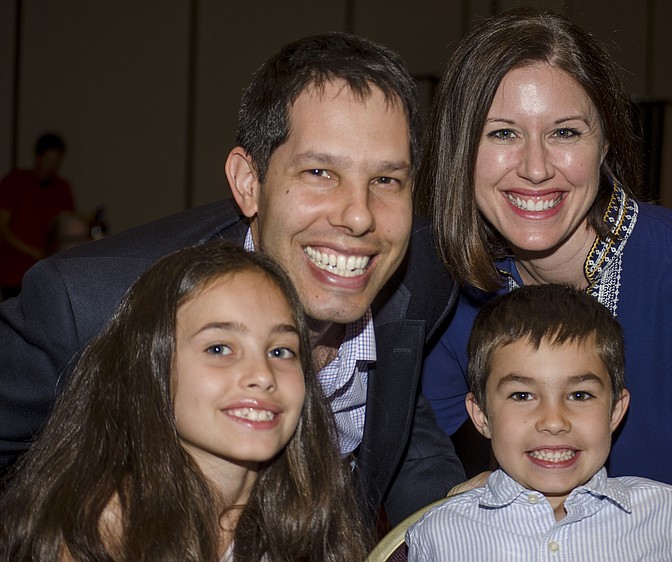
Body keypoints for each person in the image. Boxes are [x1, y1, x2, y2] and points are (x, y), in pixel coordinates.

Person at [416, 8, 672, 561]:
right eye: (502, 133)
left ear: (605, 143)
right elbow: (433, 467)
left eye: (565, 132)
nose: (536, 167)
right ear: (461, 149)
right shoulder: (444, 287)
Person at [0, 32, 464, 528]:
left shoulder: (424, 278)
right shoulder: (87, 310)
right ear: (249, 182)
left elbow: (400, 420)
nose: (359, 216)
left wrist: (460, 521)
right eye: (319, 172)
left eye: (386, 180)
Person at [0, 242, 365, 561]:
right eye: (219, 348)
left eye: (281, 351)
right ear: (153, 366)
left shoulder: (308, 516)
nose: (262, 375)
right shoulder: (101, 532)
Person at [407, 284, 672, 561]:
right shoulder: (439, 534)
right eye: (522, 395)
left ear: (615, 411)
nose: (554, 422)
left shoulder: (668, 518)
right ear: (481, 415)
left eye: (579, 395)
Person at [0, 132, 75, 300]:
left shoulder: (62, 188)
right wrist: (33, 251)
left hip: (47, 272)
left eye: (56, 162)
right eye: (49, 160)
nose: (52, 166)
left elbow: (65, 226)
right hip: (14, 271)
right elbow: (2, 226)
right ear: (38, 156)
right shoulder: (14, 181)